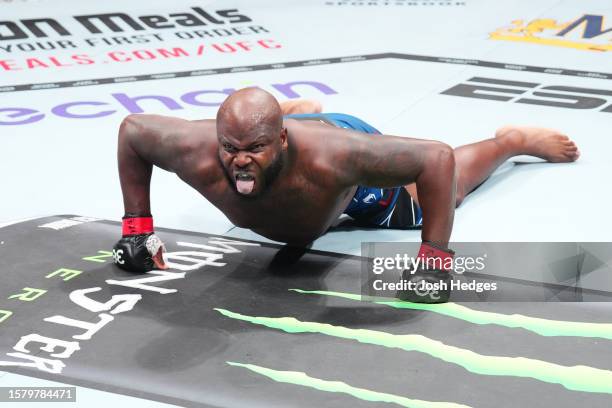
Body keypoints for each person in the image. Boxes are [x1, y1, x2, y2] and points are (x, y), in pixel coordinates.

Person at [112, 87, 579, 303]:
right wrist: (137, 231)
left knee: (441, 196)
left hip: (342, 168)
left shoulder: (338, 159)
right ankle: (300, 112)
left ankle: (511, 142)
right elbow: (133, 131)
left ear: (280, 142)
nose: (239, 161)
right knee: (297, 208)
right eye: (230, 148)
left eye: (255, 148)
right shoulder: (193, 149)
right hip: (302, 153)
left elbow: (436, 159)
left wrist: (434, 259)